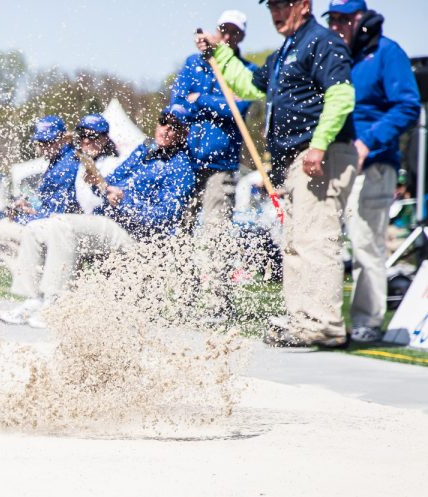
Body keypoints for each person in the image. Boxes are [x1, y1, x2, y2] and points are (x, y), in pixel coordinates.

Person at [197, 0, 358, 347]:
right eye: (271, 5)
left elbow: (341, 95)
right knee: (295, 243)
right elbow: (250, 85)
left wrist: (318, 144)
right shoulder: (287, 48)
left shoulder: (321, 41)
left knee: (316, 239)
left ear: (303, 5)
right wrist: (221, 54)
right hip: (296, 159)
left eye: (283, 4)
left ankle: (323, 322)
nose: (275, 12)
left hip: (319, 153)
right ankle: (302, 320)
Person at [0, 106, 195, 327]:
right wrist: (101, 184)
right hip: (110, 221)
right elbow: (111, 181)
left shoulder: (182, 168)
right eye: (163, 122)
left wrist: (125, 201)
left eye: (174, 126)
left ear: (184, 132)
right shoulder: (146, 149)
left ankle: (56, 302)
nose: (166, 130)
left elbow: (164, 217)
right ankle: (34, 299)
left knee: (61, 224)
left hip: (134, 235)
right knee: (38, 228)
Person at [325, 0, 421, 343]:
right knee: (323, 243)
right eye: (332, 19)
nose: (336, 25)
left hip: (374, 163)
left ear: (360, 19)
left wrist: (369, 140)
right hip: (333, 161)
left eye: (342, 19)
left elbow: (408, 105)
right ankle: (323, 320)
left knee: (366, 244)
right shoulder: (334, 55)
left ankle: (366, 321)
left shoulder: (387, 53)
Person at [172, 10, 258, 318]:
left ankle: (218, 303)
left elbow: (236, 108)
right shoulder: (194, 64)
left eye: (234, 32)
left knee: (216, 233)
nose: (227, 35)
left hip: (221, 162)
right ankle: (184, 298)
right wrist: (198, 103)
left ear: (240, 36)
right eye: (224, 30)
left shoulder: (244, 70)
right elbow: (178, 103)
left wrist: (200, 101)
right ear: (216, 31)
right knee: (181, 229)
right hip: (189, 158)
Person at [0, 115, 81, 273]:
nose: (44, 147)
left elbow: (59, 213)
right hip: (55, 224)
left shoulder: (66, 165)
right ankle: (39, 287)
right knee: (5, 228)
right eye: (41, 143)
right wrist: (30, 208)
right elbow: (50, 206)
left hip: (62, 229)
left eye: (49, 142)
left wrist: (24, 216)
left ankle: (37, 291)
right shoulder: (59, 161)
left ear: (62, 138)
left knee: (2, 232)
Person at [73, 114, 121, 214]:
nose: (86, 140)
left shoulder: (115, 164)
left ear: (105, 139)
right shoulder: (77, 163)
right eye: (82, 135)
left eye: (92, 136)